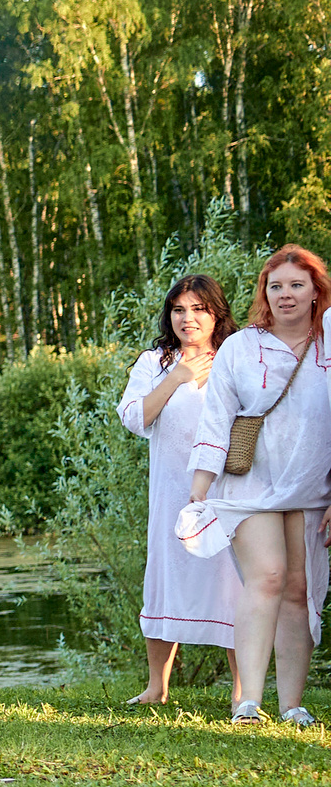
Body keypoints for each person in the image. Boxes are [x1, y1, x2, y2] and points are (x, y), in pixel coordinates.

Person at [184, 246, 331, 725]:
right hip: (250, 485)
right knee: (266, 577)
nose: (285, 295)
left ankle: (293, 705)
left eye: (296, 285)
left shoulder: (329, 343)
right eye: (276, 286)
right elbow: (217, 418)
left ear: (316, 292)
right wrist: (199, 491)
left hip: (312, 487)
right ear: (264, 293)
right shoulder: (242, 347)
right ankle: (248, 702)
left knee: (299, 589)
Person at [120, 275, 243, 704]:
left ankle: (242, 692)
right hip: (172, 491)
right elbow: (135, 418)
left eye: (198, 309)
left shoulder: (237, 355)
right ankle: (157, 687)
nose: (187, 318)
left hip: (231, 491)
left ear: (217, 313)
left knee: (235, 584)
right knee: (166, 579)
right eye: (178, 309)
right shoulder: (154, 362)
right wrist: (177, 378)